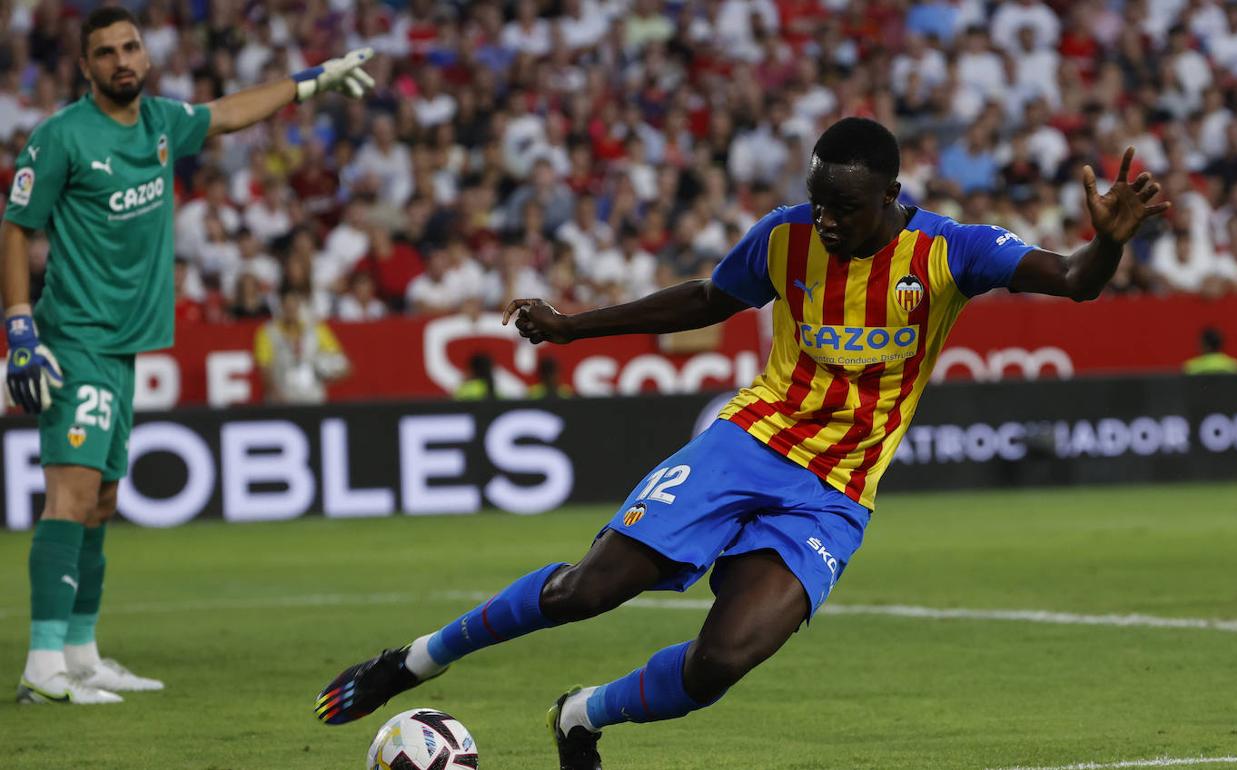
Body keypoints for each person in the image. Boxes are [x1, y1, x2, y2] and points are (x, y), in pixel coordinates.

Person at [313, 118, 1169, 769]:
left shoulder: (950, 252)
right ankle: (417, 662)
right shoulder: (787, 234)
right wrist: (572, 329)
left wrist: (1105, 244)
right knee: (586, 592)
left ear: (891, 197)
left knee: (722, 661)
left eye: (846, 206)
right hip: (747, 444)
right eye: (818, 199)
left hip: (834, 491)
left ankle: (581, 716)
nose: (826, 219)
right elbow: (705, 301)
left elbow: (1070, 283)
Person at [2, 6, 374, 705]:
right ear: (84, 67)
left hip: (123, 346)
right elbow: (16, 227)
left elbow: (231, 111)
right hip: (76, 338)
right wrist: (20, 328)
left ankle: (80, 655)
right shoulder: (60, 138)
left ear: (144, 56)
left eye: (130, 47)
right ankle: (43, 663)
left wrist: (311, 81)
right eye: (105, 51)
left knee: (102, 499)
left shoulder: (161, 125)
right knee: (71, 492)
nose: (121, 60)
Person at [254, 284, 351, 404]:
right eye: (287, 306)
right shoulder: (268, 332)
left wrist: (327, 373)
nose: (291, 310)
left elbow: (344, 367)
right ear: (280, 307)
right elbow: (264, 368)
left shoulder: (317, 329)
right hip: (283, 399)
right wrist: (275, 394)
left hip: (313, 400)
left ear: (299, 305)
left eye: (293, 305)